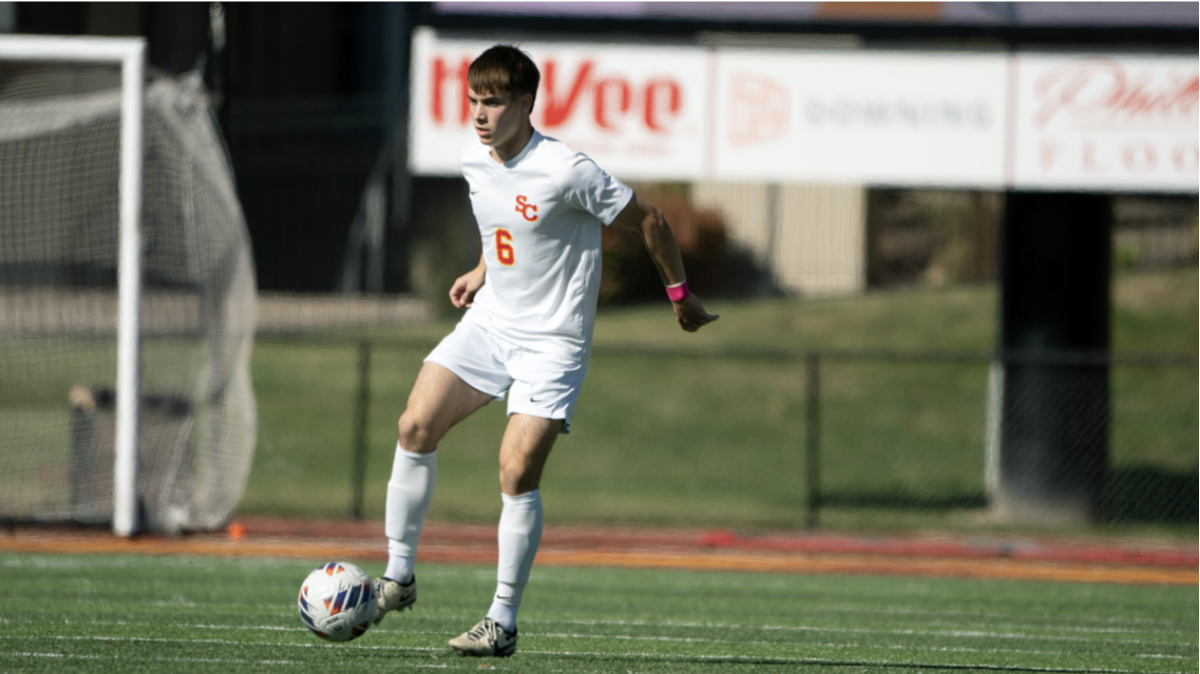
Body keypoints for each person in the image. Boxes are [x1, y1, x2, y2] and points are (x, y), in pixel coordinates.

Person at [372, 44, 719, 658]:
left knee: (515, 469)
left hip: (552, 343)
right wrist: (482, 270)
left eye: (495, 102)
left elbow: (652, 219)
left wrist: (680, 294)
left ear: (526, 104)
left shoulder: (566, 170)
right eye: (474, 100)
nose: (480, 113)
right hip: (490, 325)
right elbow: (500, 224)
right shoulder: (471, 155)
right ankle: (398, 578)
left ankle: (501, 620)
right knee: (414, 424)